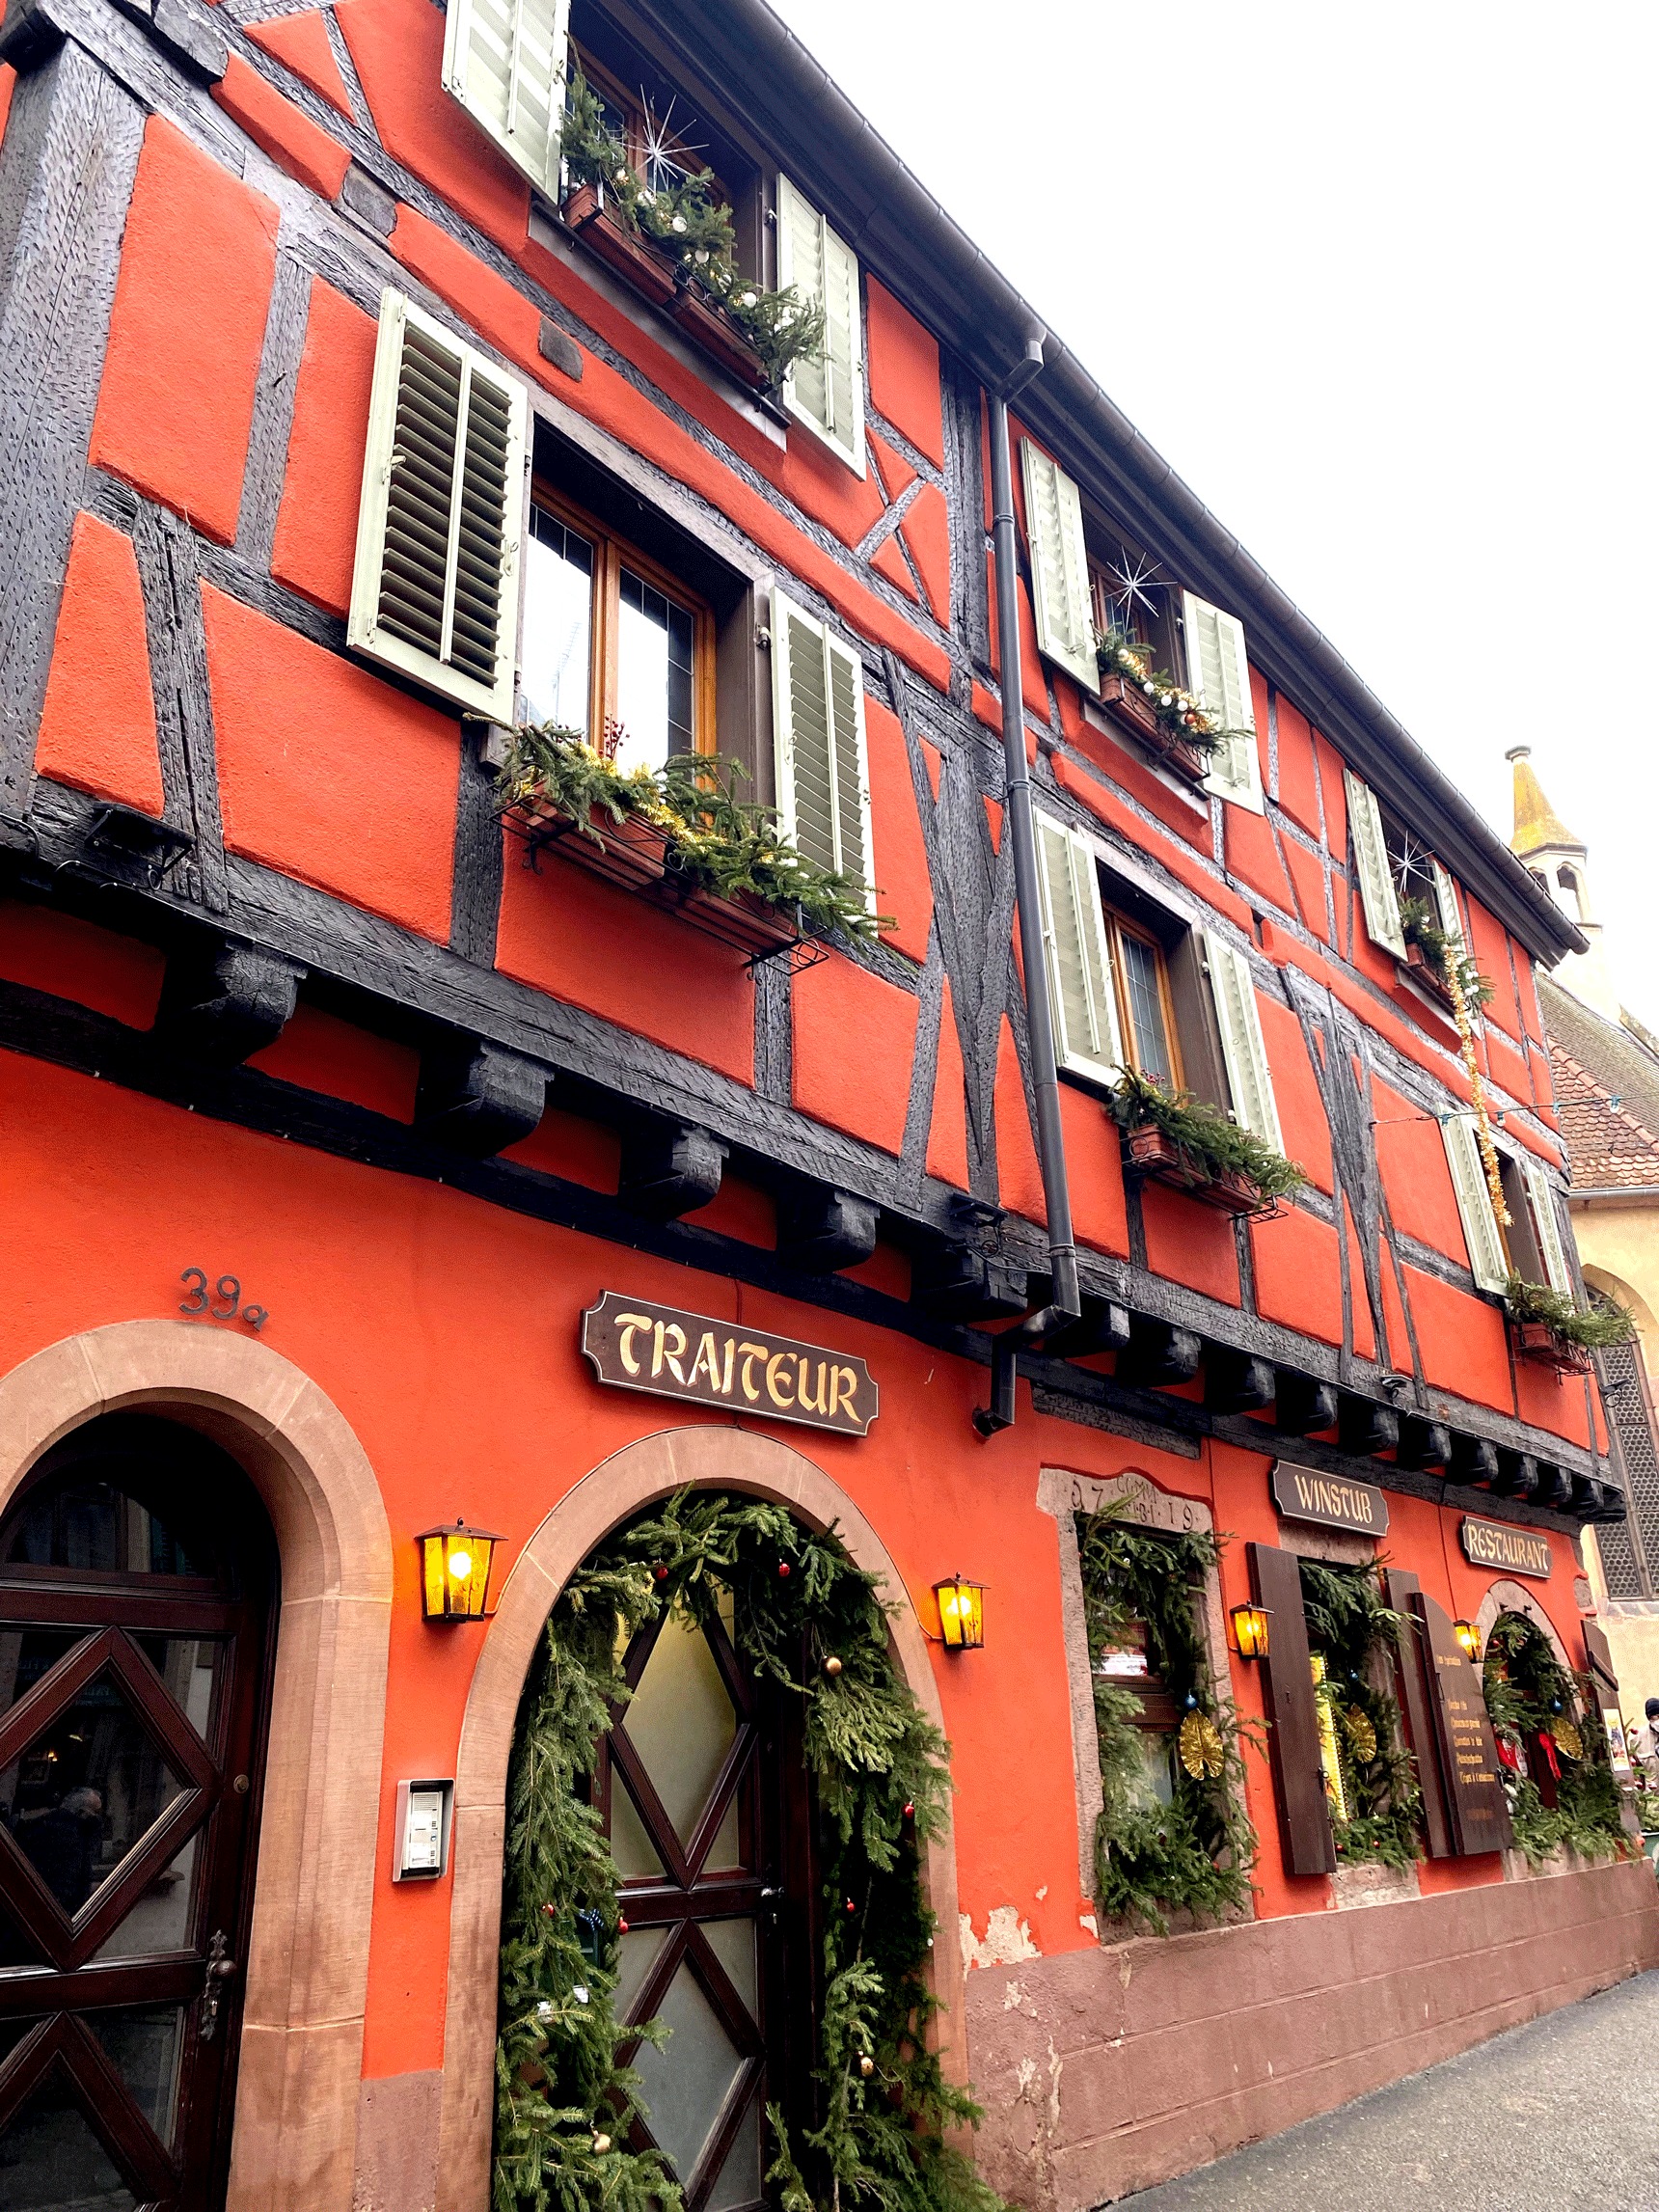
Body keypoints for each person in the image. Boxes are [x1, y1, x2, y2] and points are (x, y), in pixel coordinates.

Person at [1630, 1698, 1659, 1788]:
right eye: (1657, 1716)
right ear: (1649, 1718)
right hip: (1652, 1798)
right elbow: (1636, 1774)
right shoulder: (1637, 1740)